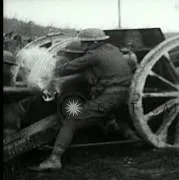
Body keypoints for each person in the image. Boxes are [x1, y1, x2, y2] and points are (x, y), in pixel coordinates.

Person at [30, 28, 139, 171]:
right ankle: (132, 137)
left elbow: (68, 68)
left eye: (85, 43)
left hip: (110, 95)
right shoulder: (113, 49)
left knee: (72, 120)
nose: (83, 46)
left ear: (95, 42)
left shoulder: (94, 55)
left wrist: (47, 73)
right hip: (125, 94)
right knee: (114, 110)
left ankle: (54, 158)